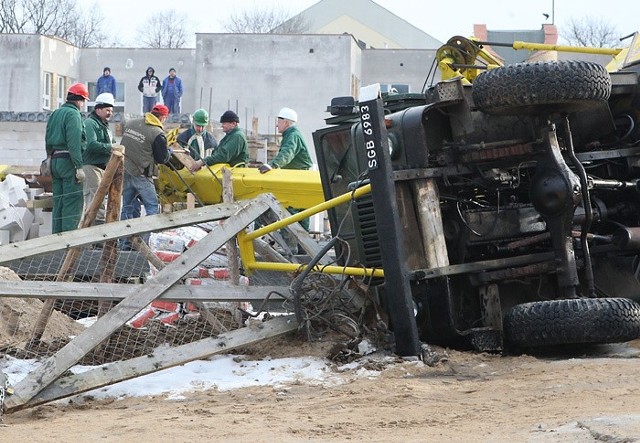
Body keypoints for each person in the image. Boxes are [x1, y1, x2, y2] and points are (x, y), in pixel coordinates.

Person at [259, 107, 313, 235]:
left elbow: (287, 152)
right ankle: (302, 249)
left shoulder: (293, 136)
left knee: (290, 210)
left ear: (287, 122)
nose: (277, 124)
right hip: (299, 177)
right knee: (301, 211)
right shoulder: (292, 134)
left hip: (297, 178)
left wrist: (273, 165)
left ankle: (291, 248)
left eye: (279, 121)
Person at [45, 83, 88, 233]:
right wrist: (79, 166)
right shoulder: (73, 114)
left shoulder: (55, 113)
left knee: (59, 201)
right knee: (72, 201)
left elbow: (47, 138)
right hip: (69, 162)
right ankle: (69, 242)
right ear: (79, 100)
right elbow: (74, 142)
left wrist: (49, 158)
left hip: (55, 162)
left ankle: (56, 240)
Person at [120, 104, 172, 228]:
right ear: (163, 117)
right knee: (152, 207)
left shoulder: (131, 123)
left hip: (125, 171)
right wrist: (169, 152)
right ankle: (147, 241)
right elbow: (162, 159)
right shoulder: (157, 133)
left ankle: (124, 243)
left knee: (128, 208)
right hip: (141, 174)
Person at [82, 92, 116, 226]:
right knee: (96, 201)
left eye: (111, 111)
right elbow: (91, 144)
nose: (110, 113)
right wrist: (111, 147)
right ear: (98, 109)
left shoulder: (104, 126)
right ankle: (94, 234)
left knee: (100, 200)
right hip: (92, 166)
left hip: (102, 167)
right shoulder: (91, 124)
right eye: (107, 110)